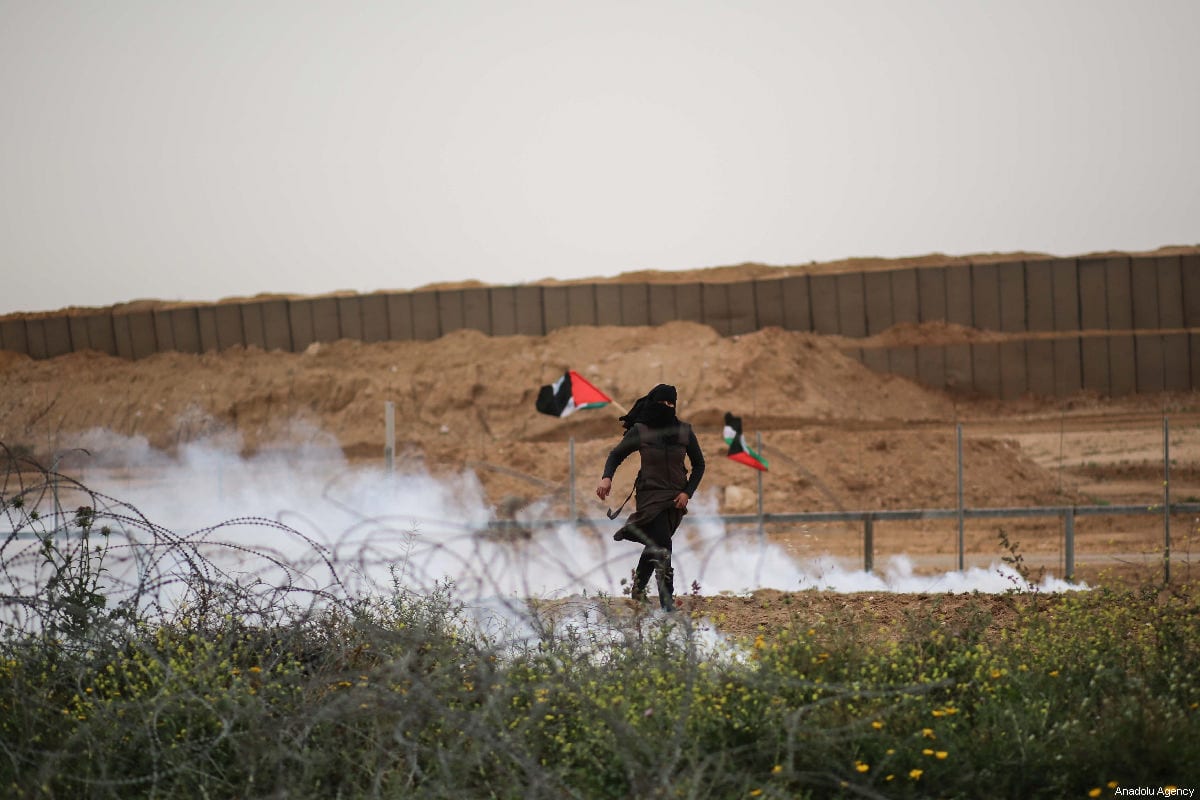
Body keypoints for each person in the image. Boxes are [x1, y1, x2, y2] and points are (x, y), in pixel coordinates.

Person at [595, 384, 704, 612]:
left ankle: (637, 590)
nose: (667, 407)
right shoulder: (641, 431)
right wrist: (607, 478)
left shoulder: (684, 431)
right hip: (650, 495)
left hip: (675, 498)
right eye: (663, 403)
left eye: (671, 404)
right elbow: (616, 454)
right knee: (663, 544)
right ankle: (667, 602)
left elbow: (699, 465)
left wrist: (687, 492)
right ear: (653, 403)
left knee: (656, 543)